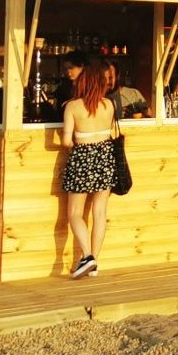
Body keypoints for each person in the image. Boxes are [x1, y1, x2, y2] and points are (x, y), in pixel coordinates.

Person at [60, 64, 117, 279]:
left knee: (74, 213)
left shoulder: (72, 107)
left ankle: (87, 256)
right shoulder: (109, 105)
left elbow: (67, 141)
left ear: (82, 83)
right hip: (105, 156)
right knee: (100, 212)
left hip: (82, 157)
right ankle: (95, 262)